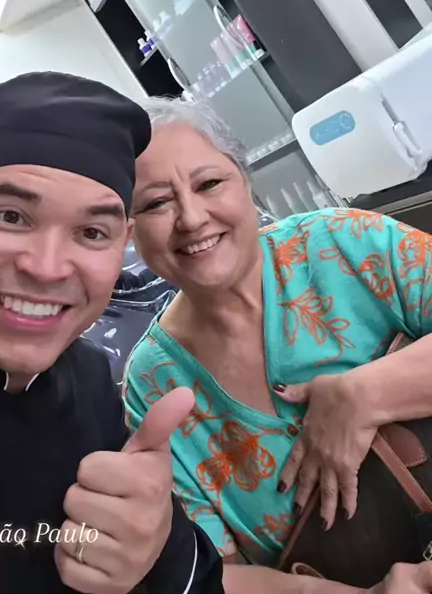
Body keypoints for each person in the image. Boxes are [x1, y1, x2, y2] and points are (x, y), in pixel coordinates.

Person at [123, 96, 432, 594]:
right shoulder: (151, 385)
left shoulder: (346, 242)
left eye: (209, 184)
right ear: (129, 229)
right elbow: (209, 570)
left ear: (246, 181)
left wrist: (366, 394)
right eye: (157, 203)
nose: (192, 218)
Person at [0, 72, 224, 594]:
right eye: (11, 216)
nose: (47, 267)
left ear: (123, 243)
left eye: (92, 232)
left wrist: (156, 551)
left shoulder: (90, 380)